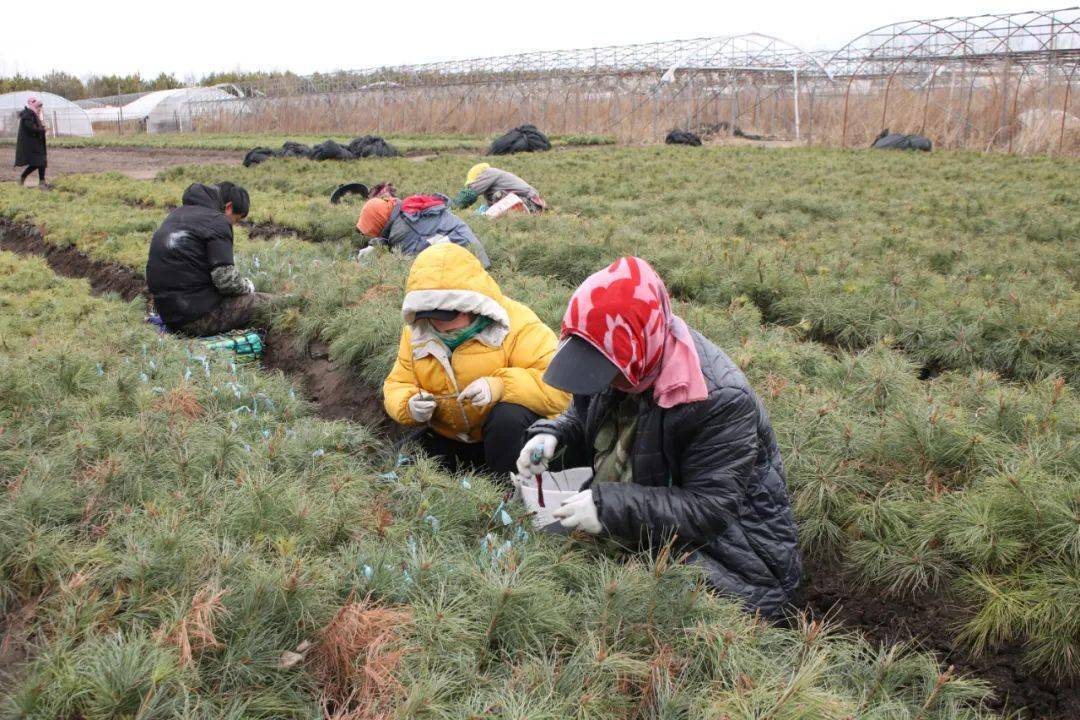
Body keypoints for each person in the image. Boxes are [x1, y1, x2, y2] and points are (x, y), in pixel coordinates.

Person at [516, 256, 801, 618]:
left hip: (729, 557)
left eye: (604, 371)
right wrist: (552, 435)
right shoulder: (622, 355)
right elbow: (583, 413)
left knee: (633, 612)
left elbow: (709, 507)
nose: (599, 381)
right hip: (651, 522)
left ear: (640, 348)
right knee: (553, 560)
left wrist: (609, 508)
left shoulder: (720, 400)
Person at [383, 243, 570, 474]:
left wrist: (500, 386)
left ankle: (507, 488)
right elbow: (396, 383)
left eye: (447, 315)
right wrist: (409, 404)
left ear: (472, 306)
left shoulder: (518, 324)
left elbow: (560, 388)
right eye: (430, 315)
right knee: (398, 463)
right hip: (453, 436)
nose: (439, 324)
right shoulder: (416, 333)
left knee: (507, 417)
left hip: (507, 440)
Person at [146, 182, 273, 336]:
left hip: (170, 314)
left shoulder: (175, 215)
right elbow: (226, 281)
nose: (234, 224)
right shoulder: (217, 221)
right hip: (194, 319)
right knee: (272, 303)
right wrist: (248, 287)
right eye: (236, 219)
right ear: (229, 207)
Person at [356, 193, 491, 268]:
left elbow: (407, 265)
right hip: (468, 246)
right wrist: (376, 245)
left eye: (372, 229)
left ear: (378, 221)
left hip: (469, 262)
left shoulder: (402, 229)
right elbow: (387, 236)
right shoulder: (404, 210)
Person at [453, 163, 546, 212]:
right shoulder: (494, 174)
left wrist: (454, 207)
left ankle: (517, 214)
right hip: (532, 203)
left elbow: (470, 194)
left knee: (499, 196)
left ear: (478, 177)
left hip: (530, 203)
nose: (470, 186)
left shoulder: (488, 173)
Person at [14, 97, 49, 189]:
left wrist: (41, 128)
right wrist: (42, 130)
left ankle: (41, 181)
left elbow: (35, 126)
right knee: (38, 162)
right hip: (31, 144)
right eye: (37, 106)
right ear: (32, 104)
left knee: (41, 162)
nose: (39, 108)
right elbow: (30, 128)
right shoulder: (28, 115)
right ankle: (23, 177)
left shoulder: (33, 114)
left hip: (36, 143)